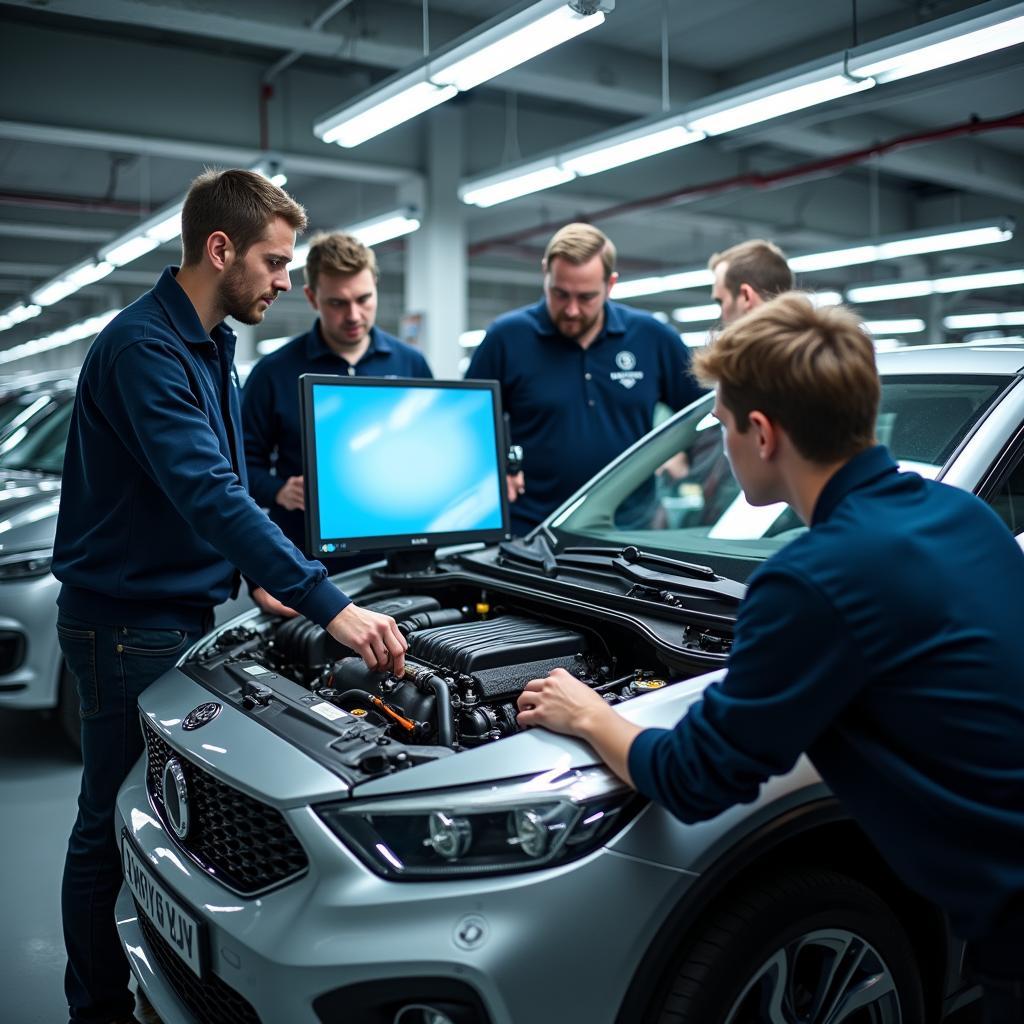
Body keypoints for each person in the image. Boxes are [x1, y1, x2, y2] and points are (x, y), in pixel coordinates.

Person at [516, 294, 1024, 1023]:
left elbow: (696, 778)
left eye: (720, 425)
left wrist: (592, 717)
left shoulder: (812, 577)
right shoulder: (966, 515)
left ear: (761, 433)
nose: (718, 444)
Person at [51, 169, 407, 1024]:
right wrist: (330, 603)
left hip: (174, 610)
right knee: (109, 821)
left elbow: (216, 493)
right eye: (276, 263)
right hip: (124, 624)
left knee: (154, 818)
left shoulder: (210, 340)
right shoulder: (145, 348)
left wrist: (257, 572)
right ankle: (96, 1008)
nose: (287, 282)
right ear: (220, 250)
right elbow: (209, 490)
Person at [466, 222, 704, 536]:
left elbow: (705, 414)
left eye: (586, 297)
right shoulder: (506, 338)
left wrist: (685, 458)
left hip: (630, 530)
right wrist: (496, 467)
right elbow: (470, 425)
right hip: (533, 530)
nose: (572, 310)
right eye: (560, 294)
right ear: (545, 274)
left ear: (611, 284)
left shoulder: (652, 337)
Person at [242, 232, 432, 571]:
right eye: (337, 303)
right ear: (312, 298)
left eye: (364, 298)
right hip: (307, 562)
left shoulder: (410, 364)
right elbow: (240, 464)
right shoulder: (274, 371)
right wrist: (279, 490)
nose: (354, 315)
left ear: (375, 286)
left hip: (396, 557)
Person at [708, 237, 793, 326]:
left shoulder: (747, 340)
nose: (721, 316)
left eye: (721, 302)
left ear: (746, 296)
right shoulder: (805, 337)